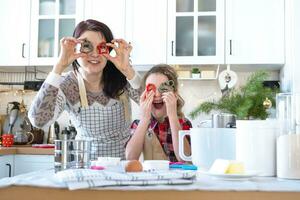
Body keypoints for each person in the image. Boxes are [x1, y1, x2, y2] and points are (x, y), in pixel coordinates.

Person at [28, 19, 142, 160]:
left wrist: (128, 70)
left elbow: (154, 106)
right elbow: (38, 121)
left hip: (124, 166)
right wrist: (59, 67)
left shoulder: (122, 78)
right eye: (87, 46)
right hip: (85, 167)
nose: (95, 54)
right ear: (76, 48)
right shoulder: (67, 84)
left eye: (101, 47)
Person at [126, 64, 192, 162]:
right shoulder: (138, 124)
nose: (157, 95)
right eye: (151, 89)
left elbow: (185, 159)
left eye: (164, 89)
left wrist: (173, 116)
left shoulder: (184, 123)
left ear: (174, 94)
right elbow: (131, 158)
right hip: (148, 177)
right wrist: (144, 120)